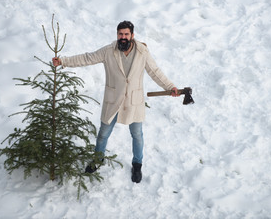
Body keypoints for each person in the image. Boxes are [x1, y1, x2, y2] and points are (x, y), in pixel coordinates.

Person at [52, 21, 179, 183]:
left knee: (137, 135)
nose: (123, 37)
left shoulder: (142, 52)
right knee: (103, 133)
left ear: (132, 35)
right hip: (113, 100)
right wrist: (63, 61)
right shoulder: (108, 51)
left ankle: (137, 164)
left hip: (134, 101)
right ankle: (98, 159)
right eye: (120, 34)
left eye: (126, 34)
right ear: (117, 35)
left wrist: (170, 87)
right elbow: (87, 58)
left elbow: (155, 72)